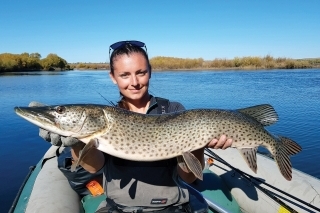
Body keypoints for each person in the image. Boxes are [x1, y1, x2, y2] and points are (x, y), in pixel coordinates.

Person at [40, 40, 233, 213]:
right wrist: (76, 143)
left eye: (141, 73)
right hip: (120, 208)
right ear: (113, 77)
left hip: (172, 207)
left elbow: (189, 178)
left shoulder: (174, 110)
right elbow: (94, 168)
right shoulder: (107, 118)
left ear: (150, 71)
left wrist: (199, 142)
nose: (134, 82)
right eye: (124, 75)